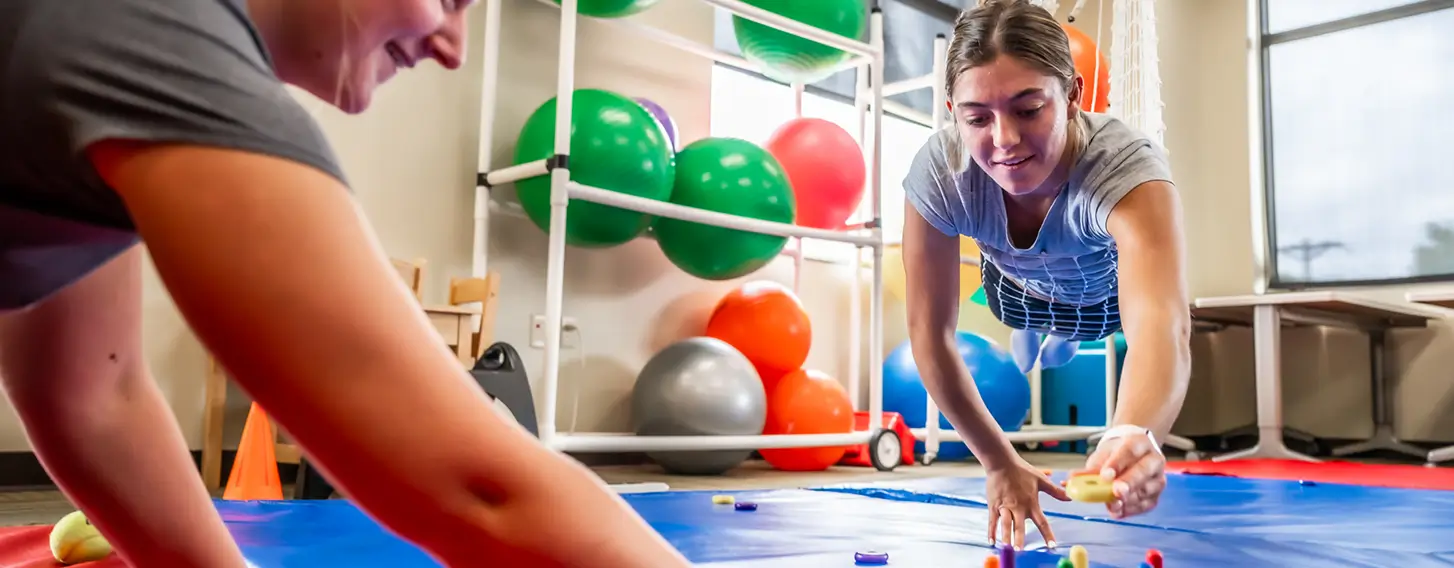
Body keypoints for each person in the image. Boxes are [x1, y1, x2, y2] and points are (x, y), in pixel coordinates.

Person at [0, 1, 692, 566]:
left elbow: (94, 396)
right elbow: (478, 492)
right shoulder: (151, 33)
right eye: (450, 1)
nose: (453, 47)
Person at [900, 0, 1192, 550]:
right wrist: (998, 460)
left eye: (1028, 109)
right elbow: (930, 335)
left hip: (1104, 300)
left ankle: (1055, 339)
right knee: (1026, 327)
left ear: (1074, 95)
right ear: (951, 110)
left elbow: (1162, 323)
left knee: (1075, 335)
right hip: (1016, 292)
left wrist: (1133, 432)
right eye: (977, 117)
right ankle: (1038, 334)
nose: (1004, 139)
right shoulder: (941, 170)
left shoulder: (1126, 166)